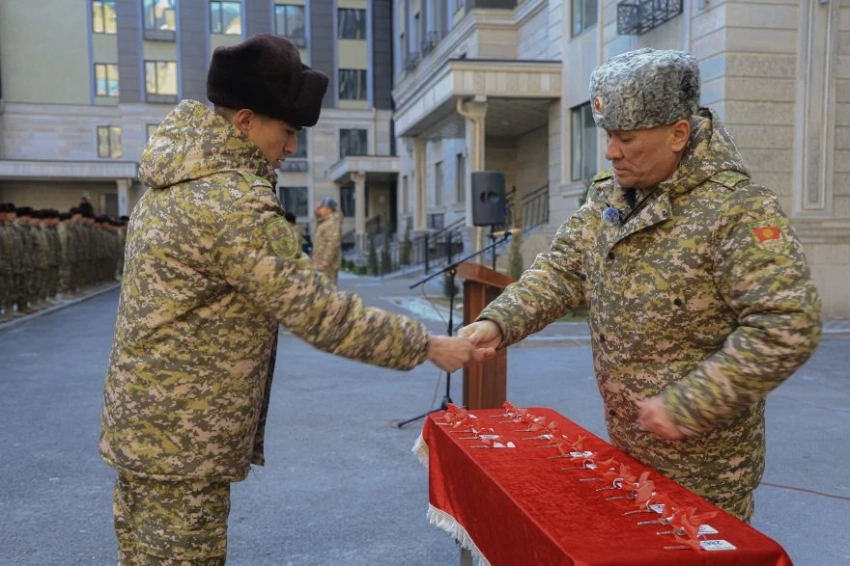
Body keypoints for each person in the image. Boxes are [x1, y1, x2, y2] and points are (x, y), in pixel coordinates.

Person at [99, 33, 489, 564]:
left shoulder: (171, 183)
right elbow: (319, 312)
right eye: (286, 132)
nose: (291, 148)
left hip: (146, 429)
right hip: (183, 444)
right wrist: (425, 345)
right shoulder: (231, 203)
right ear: (244, 121)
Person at [460, 48, 822, 523]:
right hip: (628, 447)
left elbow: (787, 322)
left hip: (706, 473)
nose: (611, 152)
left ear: (678, 134)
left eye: (626, 138)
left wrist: (690, 404)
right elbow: (563, 270)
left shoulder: (737, 210)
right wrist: (499, 321)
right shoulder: (612, 193)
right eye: (608, 136)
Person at [313, 196, 342, 287]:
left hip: (327, 264)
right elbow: (318, 219)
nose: (320, 209)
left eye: (322, 207)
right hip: (320, 261)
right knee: (321, 289)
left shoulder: (332, 222)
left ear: (329, 209)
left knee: (328, 289)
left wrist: (327, 260)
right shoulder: (326, 220)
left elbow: (333, 242)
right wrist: (316, 212)